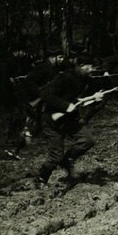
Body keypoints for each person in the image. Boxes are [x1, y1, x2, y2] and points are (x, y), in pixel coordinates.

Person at [36, 55, 107, 185]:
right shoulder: (64, 77)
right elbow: (45, 94)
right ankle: (42, 179)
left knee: (87, 140)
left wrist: (95, 98)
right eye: (90, 67)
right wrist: (65, 105)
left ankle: (67, 161)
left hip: (69, 119)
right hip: (52, 121)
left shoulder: (86, 80)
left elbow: (82, 98)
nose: (93, 70)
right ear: (81, 66)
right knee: (55, 155)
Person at [4, 47, 70, 158]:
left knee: (36, 127)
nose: (62, 59)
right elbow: (29, 81)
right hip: (33, 101)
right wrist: (39, 93)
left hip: (41, 102)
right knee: (29, 126)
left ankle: (16, 149)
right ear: (52, 57)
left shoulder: (52, 68)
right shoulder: (43, 67)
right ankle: (14, 149)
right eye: (60, 57)